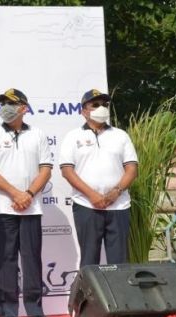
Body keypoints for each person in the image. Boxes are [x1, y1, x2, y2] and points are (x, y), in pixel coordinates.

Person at [0, 89, 52, 317]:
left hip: (31, 207)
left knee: (32, 258)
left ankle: (34, 308)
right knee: (5, 259)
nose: (5, 107)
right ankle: (8, 311)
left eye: (10, 103)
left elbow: (45, 169)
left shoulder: (38, 134)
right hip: (2, 207)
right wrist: (15, 193)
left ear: (24, 107)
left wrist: (28, 194)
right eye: (2, 103)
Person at [59, 89, 138, 267]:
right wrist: (92, 195)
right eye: (95, 105)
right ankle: (89, 296)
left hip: (119, 205)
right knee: (89, 260)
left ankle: (118, 296)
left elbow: (132, 169)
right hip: (87, 205)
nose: (101, 108)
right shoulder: (73, 136)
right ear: (84, 111)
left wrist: (116, 192)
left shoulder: (120, 135)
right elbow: (67, 171)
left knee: (120, 262)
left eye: (105, 105)